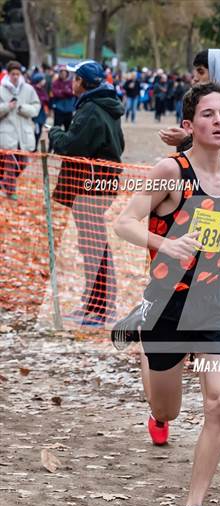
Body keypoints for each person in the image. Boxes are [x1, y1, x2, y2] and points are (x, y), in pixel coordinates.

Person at [114, 82, 220, 506]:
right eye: (209, 115)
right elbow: (121, 221)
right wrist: (165, 242)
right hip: (167, 304)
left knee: (219, 402)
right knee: (168, 408)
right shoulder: (170, 171)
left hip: (213, 304)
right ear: (190, 125)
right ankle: (147, 358)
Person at [48, 60, 124, 327]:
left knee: (94, 247)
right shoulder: (101, 105)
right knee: (91, 245)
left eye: (75, 78)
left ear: (82, 81)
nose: (72, 82)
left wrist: (55, 133)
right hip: (98, 185)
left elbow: (72, 146)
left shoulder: (92, 109)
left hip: (90, 186)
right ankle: (92, 304)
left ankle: (102, 308)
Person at [159, 48, 220, 148]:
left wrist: (186, 139)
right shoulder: (199, 99)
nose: (195, 78)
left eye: (201, 72)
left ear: (218, 72)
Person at [0, 60, 40, 200]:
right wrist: (6, 107)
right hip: (7, 133)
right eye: (13, 74)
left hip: (24, 133)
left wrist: (23, 108)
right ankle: (11, 191)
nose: (15, 76)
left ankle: (4, 182)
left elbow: (36, 107)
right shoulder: (1, 89)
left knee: (22, 163)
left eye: (18, 74)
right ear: (8, 74)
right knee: (11, 164)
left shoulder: (29, 89)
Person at [51, 66, 74, 131]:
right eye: (61, 72)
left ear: (67, 73)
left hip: (69, 110)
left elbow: (72, 93)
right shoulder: (56, 82)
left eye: (64, 73)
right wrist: (66, 91)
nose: (63, 74)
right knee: (56, 128)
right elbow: (55, 93)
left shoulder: (71, 82)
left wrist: (62, 91)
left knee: (68, 129)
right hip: (59, 109)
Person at [31, 72, 50, 150]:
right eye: (43, 79)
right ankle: (33, 147)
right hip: (36, 115)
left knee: (39, 132)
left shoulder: (42, 89)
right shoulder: (33, 89)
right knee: (36, 132)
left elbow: (46, 99)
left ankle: (35, 146)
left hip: (42, 114)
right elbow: (39, 100)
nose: (44, 81)